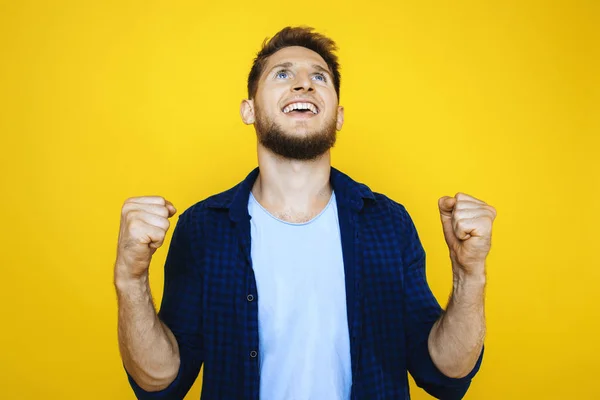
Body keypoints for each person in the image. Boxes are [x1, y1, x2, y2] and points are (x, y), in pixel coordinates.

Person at [114, 26, 496, 400]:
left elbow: (445, 372)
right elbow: (160, 382)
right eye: (283, 74)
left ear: (339, 115)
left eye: (319, 77)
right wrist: (131, 281)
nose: (303, 84)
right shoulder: (202, 229)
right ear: (248, 110)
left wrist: (469, 274)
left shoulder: (388, 223)